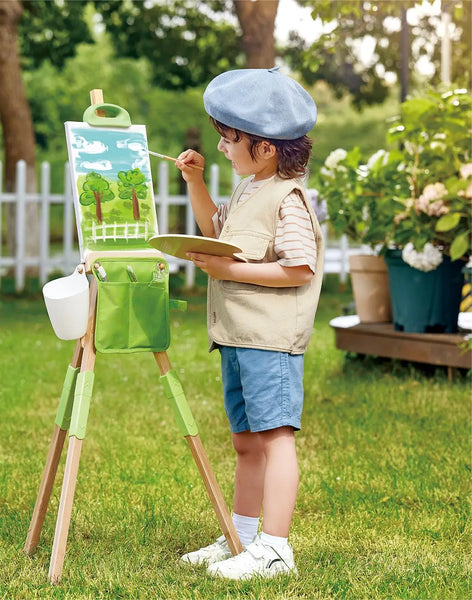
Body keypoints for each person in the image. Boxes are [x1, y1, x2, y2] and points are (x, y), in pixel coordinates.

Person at [175, 67, 324, 581]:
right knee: (245, 440)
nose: (220, 149)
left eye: (228, 140)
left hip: (270, 341)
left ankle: (276, 549)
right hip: (237, 338)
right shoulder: (248, 188)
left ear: (264, 149)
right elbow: (214, 229)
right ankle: (240, 535)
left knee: (275, 436)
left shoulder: (289, 199)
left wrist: (228, 269)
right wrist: (194, 182)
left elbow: (299, 268)